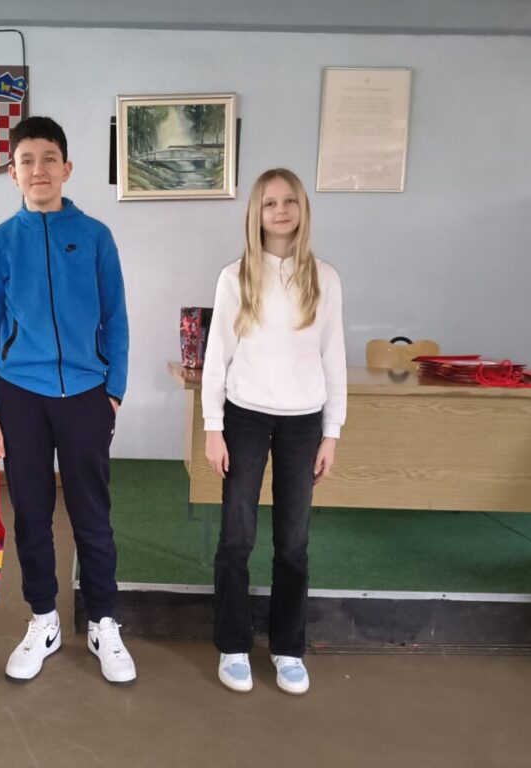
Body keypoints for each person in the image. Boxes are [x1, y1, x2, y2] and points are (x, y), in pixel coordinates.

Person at [0, 116, 135, 684]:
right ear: (12, 172)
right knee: (32, 515)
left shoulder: (95, 236)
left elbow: (116, 318)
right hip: (20, 397)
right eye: (26, 161)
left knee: (93, 513)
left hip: (87, 395)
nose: (38, 169)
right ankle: (43, 618)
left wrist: (113, 392)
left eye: (48, 159)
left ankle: (103, 621)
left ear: (66, 168)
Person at [201, 168, 346, 694]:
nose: (280, 211)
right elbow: (217, 357)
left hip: (303, 423)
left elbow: (333, 357)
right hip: (244, 417)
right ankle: (233, 644)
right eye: (269, 203)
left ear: (302, 209)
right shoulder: (235, 277)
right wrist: (213, 427)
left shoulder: (324, 279)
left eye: (289, 201)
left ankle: (287, 647)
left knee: (293, 542)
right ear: (256, 214)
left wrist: (332, 431)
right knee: (237, 536)